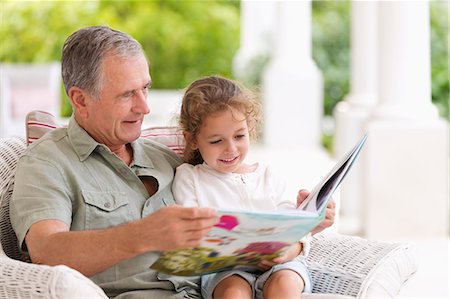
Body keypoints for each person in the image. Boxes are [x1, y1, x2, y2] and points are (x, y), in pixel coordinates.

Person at [9, 25, 335, 299]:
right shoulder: (49, 163)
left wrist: (303, 221)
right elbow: (47, 250)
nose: (144, 108)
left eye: (145, 89)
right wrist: (142, 235)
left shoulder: (165, 158)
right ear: (80, 99)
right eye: (127, 95)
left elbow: (233, 197)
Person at [172, 75, 312, 299]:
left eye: (239, 136)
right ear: (192, 139)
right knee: (233, 293)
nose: (231, 149)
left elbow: (294, 228)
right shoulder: (190, 178)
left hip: (279, 265)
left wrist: (288, 251)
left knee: (285, 285)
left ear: (250, 129)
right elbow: (191, 233)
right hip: (226, 270)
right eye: (216, 141)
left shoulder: (267, 175)